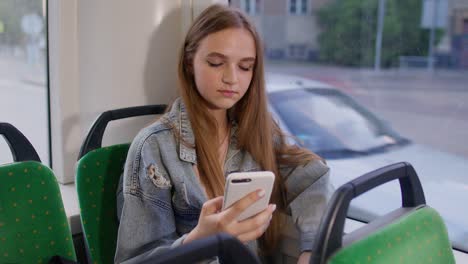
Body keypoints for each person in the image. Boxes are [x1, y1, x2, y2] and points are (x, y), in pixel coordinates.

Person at [115, 4, 333, 264]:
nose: (232, 79)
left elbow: (314, 176)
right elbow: (136, 260)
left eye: (245, 67)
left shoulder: (254, 133)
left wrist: (310, 250)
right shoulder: (154, 148)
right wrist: (198, 240)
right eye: (216, 63)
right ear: (189, 63)